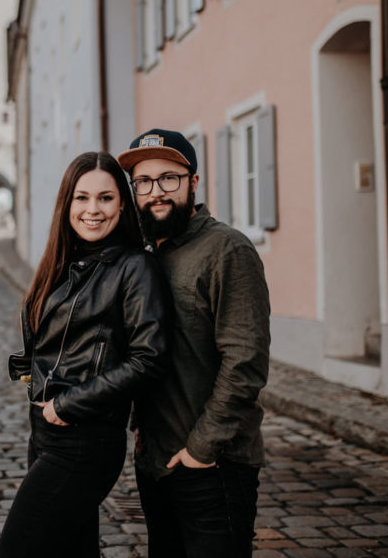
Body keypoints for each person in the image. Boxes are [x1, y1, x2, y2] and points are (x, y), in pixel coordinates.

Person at [0, 151, 170, 557]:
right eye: (82, 198)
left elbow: (150, 358)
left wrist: (67, 404)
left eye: (106, 198)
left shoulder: (134, 268)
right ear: (67, 204)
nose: (93, 210)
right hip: (44, 435)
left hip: (84, 440)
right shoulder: (62, 262)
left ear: (122, 204)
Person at [117, 129, 271, 558]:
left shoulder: (227, 250)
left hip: (214, 465)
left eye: (169, 178)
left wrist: (201, 450)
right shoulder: (145, 254)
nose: (156, 193)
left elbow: (246, 361)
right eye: (144, 183)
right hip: (156, 464)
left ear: (193, 182)